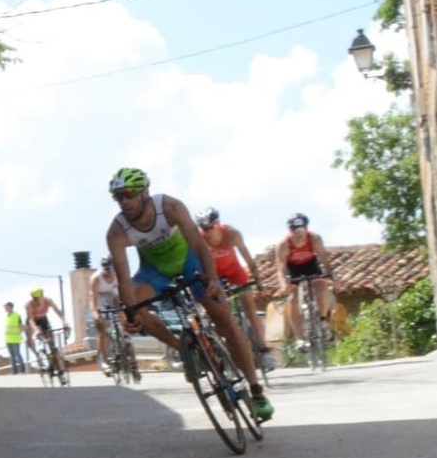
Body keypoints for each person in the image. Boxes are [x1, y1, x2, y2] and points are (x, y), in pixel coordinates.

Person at [103, 167, 274, 420]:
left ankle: (256, 391)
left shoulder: (169, 207)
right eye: (118, 197)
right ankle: (185, 351)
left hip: (189, 261)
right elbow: (124, 278)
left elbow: (198, 244)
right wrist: (130, 313)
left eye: (129, 194)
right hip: (155, 271)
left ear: (145, 192)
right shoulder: (117, 231)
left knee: (225, 319)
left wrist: (213, 278)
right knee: (127, 304)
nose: (124, 201)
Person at [195, 207, 276, 371]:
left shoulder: (232, 234)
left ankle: (263, 350)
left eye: (211, 227)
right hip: (214, 275)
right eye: (204, 229)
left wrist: (258, 280)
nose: (208, 232)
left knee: (249, 303)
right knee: (221, 309)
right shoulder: (200, 240)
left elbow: (248, 258)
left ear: (218, 225)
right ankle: (225, 350)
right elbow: (199, 266)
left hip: (234, 271)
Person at [275, 212, 334, 350]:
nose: (298, 233)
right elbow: (281, 268)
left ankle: (323, 320)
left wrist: (329, 276)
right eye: (294, 230)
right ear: (289, 230)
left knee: (321, 288)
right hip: (293, 268)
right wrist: (284, 285)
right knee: (292, 299)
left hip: (311, 265)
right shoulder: (284, 245)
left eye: (301, 229)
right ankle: (300, 339)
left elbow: (324, 259)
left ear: (306, 228)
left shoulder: (315, 239)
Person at [26, 287, 68, 383]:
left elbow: (59, 312)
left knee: (53, 346)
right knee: (29, 340)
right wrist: (36, 330)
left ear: (42, 296)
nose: (36, 301)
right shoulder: (29, 305)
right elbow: (30, 320)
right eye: (34, 299)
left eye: (38, 299)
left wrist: (65, 322)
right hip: (33, 321)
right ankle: (39, 356)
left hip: (43, 320)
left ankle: (60, 372)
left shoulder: (48, 301)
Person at [90, 255, 121, 375]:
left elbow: (123, 290)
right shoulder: (96, 278)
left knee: (123, 309)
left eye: (109, 268)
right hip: (100, 297)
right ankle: (105, 359)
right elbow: (92, 297)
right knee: (101, 327)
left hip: (113, 294)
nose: (107, 271)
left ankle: (125, 339)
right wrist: (95, 312)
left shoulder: (118, 274)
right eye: (105, 268)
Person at [3, 301, 27, 374]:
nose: (5, 308)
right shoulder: (7, 316)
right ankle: (14, 371)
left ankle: (22, 369)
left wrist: (19, 333)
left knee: (17, 354)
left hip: (15, 339)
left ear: (10, 307)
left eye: (6, 306)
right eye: (5, 307)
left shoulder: (17, 315)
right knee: (12, 356)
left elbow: (22, 326)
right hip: (8, 339)